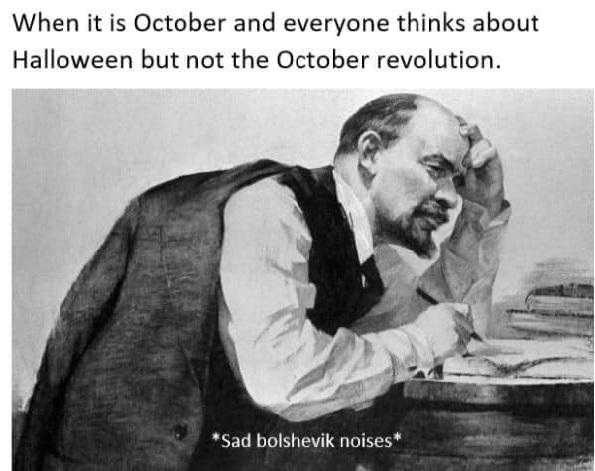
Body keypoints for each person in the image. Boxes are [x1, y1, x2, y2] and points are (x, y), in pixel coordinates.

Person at [15, 93, 509, 470]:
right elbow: (283, 378)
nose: (449, 197)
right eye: (436, 170)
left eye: (456, 181)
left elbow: (447, 325)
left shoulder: (364, 247)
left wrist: (483, 210)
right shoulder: (273, 211)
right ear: (371, 152)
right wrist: (420, 342)